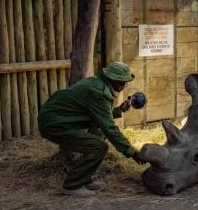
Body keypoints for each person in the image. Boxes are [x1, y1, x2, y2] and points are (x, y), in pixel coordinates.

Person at [38, 62, 146, 197]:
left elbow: (98, 115)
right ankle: (72, 185)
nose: (124, 86)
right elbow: (109, 128)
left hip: (58, 119)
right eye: (123, 82)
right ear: (114, 80)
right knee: (99, 147)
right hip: (55, 124)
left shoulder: (97, 83)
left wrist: (118, 111)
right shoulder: (99, 93)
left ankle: (85, 179)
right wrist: (131, 152)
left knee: (98, 132)